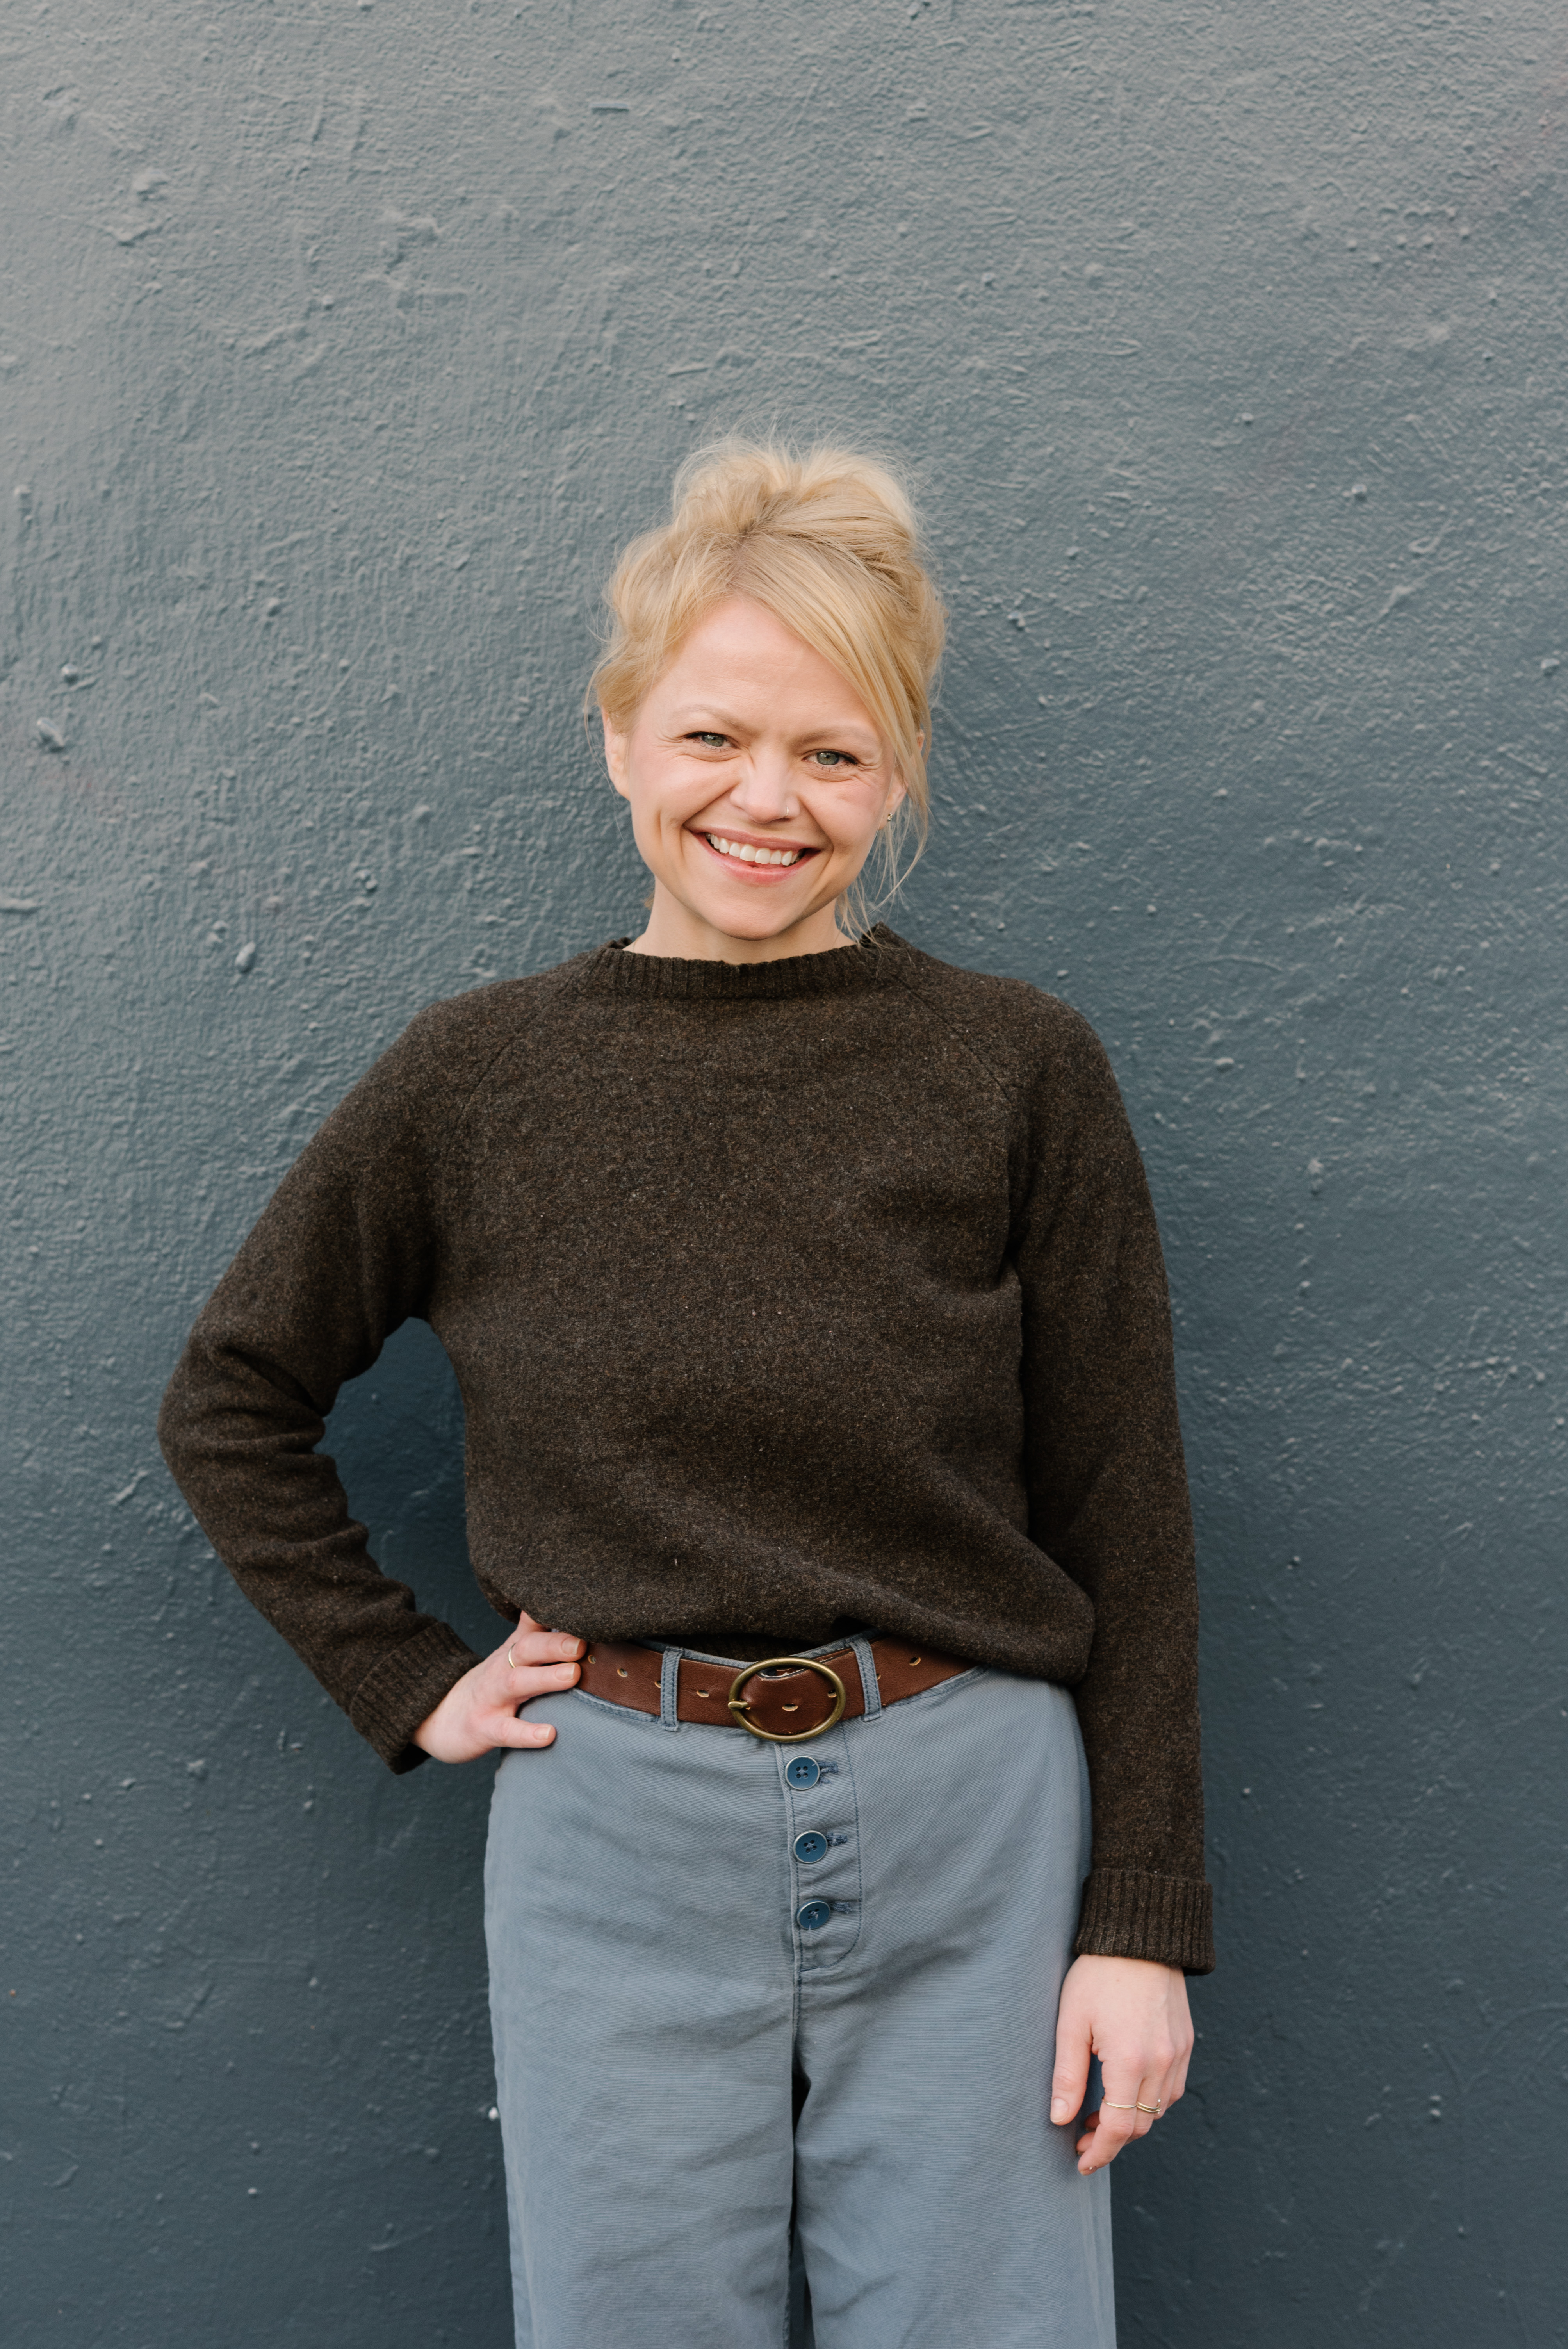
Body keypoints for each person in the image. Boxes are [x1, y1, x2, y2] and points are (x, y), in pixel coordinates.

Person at [158, 437, 1212, 2349]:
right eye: (713, 736)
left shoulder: (1014, 1069)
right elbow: (233, 1395)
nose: (764, 799)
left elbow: (1121, 1511)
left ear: (895, 770)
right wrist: (406, 1676)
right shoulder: (475, 1081)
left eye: (830, 752)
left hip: (972, 1826)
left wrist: (1135, 1918)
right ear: (620, 738)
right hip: (612, 1830)